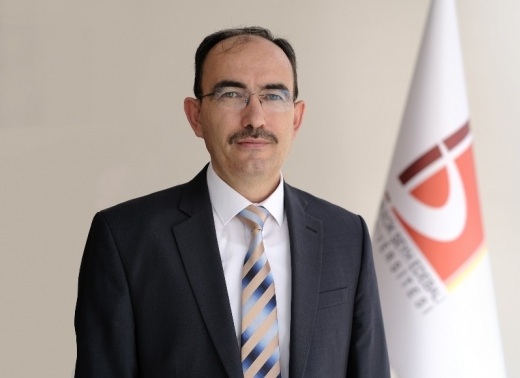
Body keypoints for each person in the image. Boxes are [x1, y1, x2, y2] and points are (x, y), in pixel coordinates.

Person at [74, 26, 390, 378]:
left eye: (273, 96)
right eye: (231, 94)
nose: (255, 118)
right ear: (196, 116)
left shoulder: (346, 236)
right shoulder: (125, 239)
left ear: (296, 118)